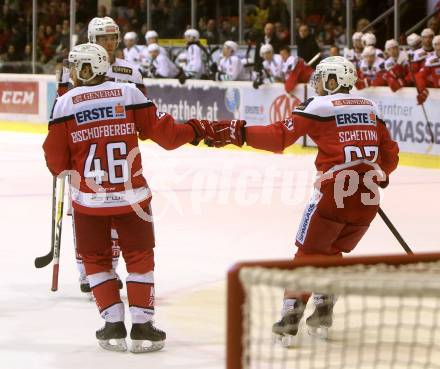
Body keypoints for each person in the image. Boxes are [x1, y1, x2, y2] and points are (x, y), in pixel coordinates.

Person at [206, 56, 399, 342]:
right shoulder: (371, 108)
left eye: (322, 79)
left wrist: (240, 133)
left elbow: (279, 137)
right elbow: (390, 155)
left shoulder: (320, 106)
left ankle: (290, 315)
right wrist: (379, 174)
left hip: (333, 194)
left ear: (334, 81)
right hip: (367, 199)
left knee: (307, 253)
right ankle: (323, 310)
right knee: (332, 251)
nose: (318, 85)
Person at [42, 43, 214, 352]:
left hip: (88, 202)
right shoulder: (129, 93)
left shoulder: (65, 103)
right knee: (139, 258)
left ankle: (112, 324)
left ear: (85, 68)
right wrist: (196, 130)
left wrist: (71, 165)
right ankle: (143, 325)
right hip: (132, 197)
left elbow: (55, 161)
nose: (73, 73)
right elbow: (168, 135)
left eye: (76, 67)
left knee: (95, 260)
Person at [56, 16, 148, 294]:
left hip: (118, 153)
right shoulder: (73, 65)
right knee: (82, 210)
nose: (109, 43)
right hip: (84, 150)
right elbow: (59, 107)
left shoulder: (130, 71)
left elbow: (143, 116)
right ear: (91, 40)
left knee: (119, 211)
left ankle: (109, 268)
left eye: (112, 37)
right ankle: (87, 269)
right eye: (102, 38)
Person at [415, 35, 440, 105]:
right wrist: (423, 91)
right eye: (437, 44)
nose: (439, 47)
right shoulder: (430, 60)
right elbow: (419, 76)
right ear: (434, 46)